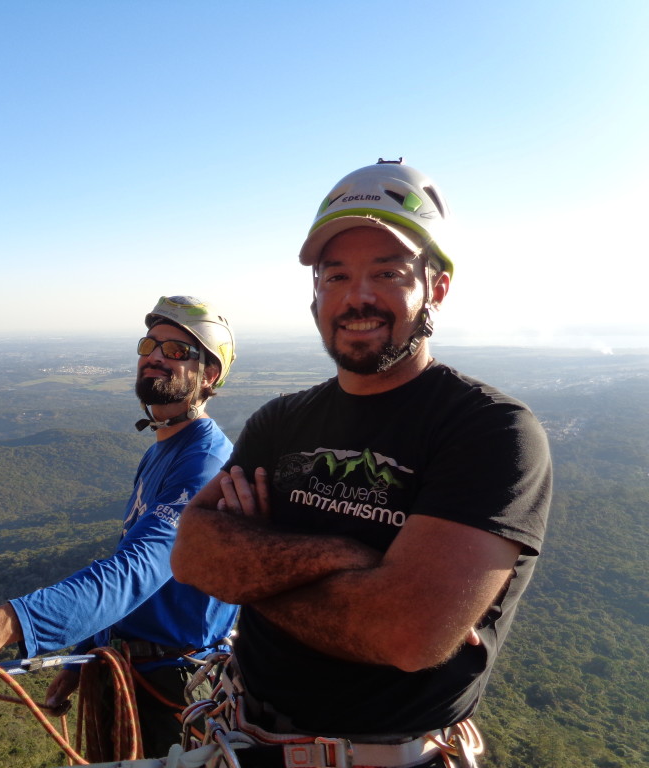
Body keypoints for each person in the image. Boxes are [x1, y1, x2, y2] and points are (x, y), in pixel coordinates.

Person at [171, 159, 552, 768]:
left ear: (438, 287)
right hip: (240, 740)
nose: (358, 297)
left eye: (388, 273)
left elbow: (406, 634)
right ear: (316, 292)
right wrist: (344, 559)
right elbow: (193, 553)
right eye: (336, 275)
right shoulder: (281, 420)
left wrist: (251, 570)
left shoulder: (490, 432)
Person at [0, 295, 239, 758]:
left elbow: (136, 570)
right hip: (127, 668)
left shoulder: (204, 465)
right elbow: (134, 563)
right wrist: (86, 654)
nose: (156, 357)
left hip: (171, 687)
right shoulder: (162, 450)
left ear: (208, 376)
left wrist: (8, 622)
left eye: (178, 351)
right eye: (149, 345)